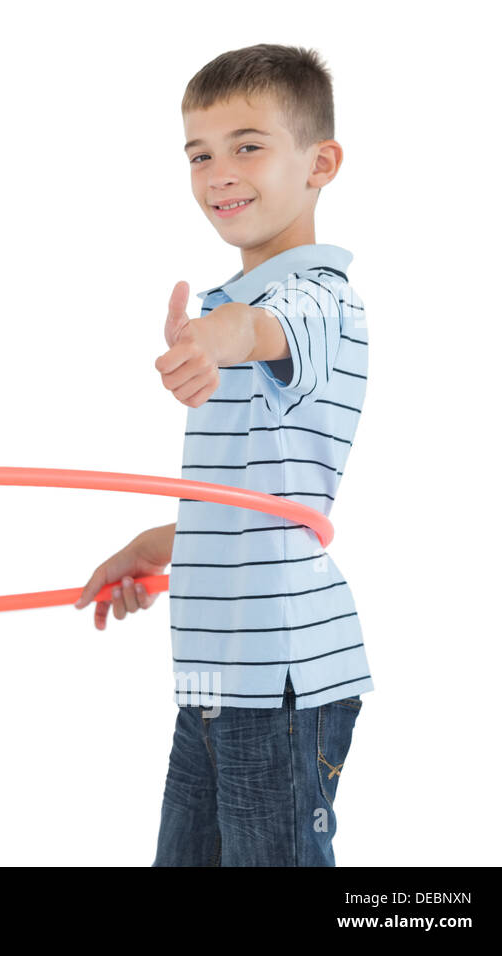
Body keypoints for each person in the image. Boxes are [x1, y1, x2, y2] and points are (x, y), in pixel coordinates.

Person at [73, 45, 371, 866]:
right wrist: (155, 546)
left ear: (321, 163)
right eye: (199, 153)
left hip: (281, 679)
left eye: (247, 145)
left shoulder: (316, 300)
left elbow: (265, 333)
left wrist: (215, 338)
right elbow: (251, 508)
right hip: (214, 677)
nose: (218, 172)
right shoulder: (235, 302)